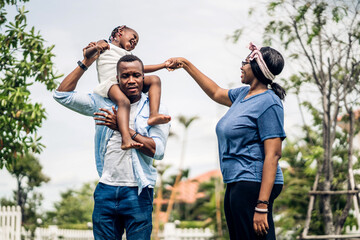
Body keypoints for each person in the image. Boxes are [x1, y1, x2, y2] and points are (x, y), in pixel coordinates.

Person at [168, 42, 286, 240]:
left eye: (245, 62)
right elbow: (215, 92)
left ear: (257, 67)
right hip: (237, 181)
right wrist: (186, 65)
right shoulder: (243, 95)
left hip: (253, 182)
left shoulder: (269, 102)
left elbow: (273, 155)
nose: (241, 66)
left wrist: (262, 205)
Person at [53, 45, 170, 240]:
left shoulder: (154, 109)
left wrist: (125, 131)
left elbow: (157, 150)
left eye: (136, 75)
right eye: (125, 76)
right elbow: (62, 95)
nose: (131, 80)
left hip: (139, 192)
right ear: (117, 79)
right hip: (106, 190)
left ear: (144, 78)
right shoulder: (103, 103)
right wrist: (86, 62)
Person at [87, 25, 172, 150]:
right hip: (110, 84)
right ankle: (126, 138)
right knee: (124, 102)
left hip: (125, 82)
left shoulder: (126, 55)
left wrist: (164, 65)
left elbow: (141, 69)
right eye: (133, 38)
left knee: (155, 80)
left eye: (136, 43)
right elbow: (87, 54)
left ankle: (153, 115)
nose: (134, 42)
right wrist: (96, 47)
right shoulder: (106, 45)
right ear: (120, 31)